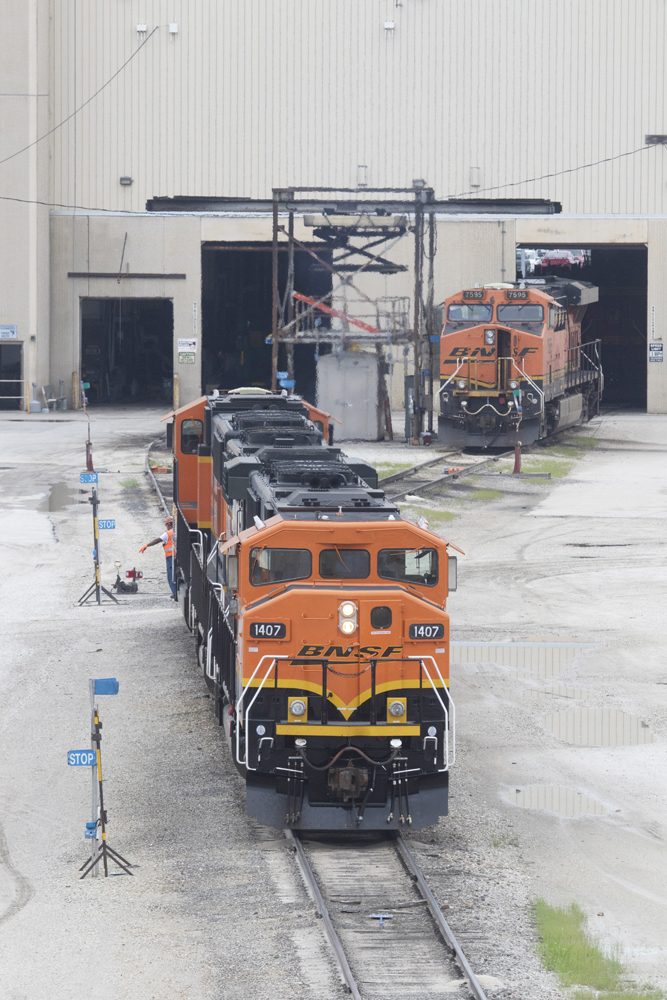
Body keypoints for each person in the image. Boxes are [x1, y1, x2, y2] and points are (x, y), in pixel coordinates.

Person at [140, 516, 176, 598]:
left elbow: (157, 540)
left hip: (170, 557)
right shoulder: (178, 532)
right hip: (178, 556)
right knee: (176, 575)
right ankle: (176, 592)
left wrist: (146, 545)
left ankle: (175, 593)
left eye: (166, 525)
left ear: (168, 524)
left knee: (171, 576)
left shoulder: (168, 533)